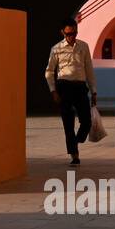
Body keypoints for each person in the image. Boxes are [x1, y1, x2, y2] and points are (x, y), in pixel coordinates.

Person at [45, 16, 97, 167]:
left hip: (80, 87)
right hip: (64, 87)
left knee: (86, 121)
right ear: (62, 33)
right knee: (68, 123)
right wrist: (53, 91)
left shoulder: (83, 46)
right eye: (68, 34)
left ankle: (75, 141)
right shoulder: (56, 49)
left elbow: (89, 70)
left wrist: (94, 91)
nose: (71, 37)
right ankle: (75, 156)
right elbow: (49, 71)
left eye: (74, 33)